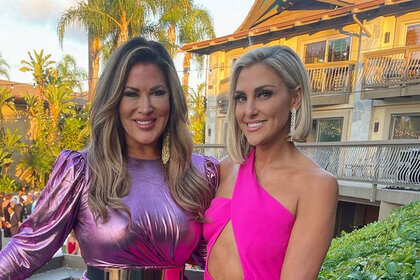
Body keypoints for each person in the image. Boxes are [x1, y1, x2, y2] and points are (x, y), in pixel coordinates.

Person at [0, 37, 218, 280]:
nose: (145, 107)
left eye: (157, 92)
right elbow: (26, 250)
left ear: (172, 100)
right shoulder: (81, 171)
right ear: (113, 100)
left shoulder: (200, 173)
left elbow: (219, 257)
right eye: (131, 94)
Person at [203, 46, 338, 280]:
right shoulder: (225, 168)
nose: (249, 110)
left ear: (295, 98)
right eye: (241, 98)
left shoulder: (316, 186)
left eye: (264, 94)